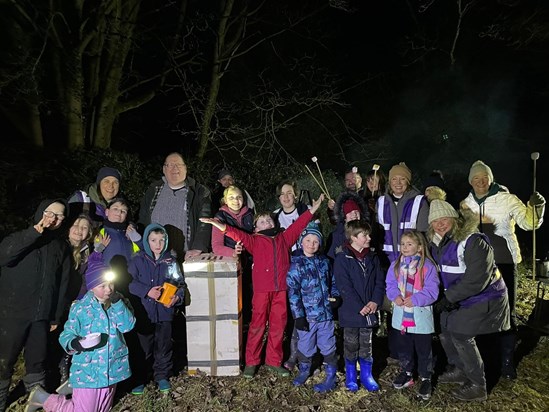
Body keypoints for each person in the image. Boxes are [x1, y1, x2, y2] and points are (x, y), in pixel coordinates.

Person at [200, 194, 325, 379]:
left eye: (268, 220)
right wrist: (219, 225)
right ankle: (252, 361)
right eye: (261, 221)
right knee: (257, 325)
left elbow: (299, 225)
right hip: (261, 291)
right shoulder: (254, 240)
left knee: (278, 326)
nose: (266, 222)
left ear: (274, 224)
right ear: (255, 228)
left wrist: (313, 209)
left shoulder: (284, 238)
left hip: (281, 290)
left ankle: (274, 361)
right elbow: (235, 233)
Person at [461, 160, 545, 379]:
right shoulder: (465, 204)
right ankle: (486, 358)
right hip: (479, 266)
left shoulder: (507, 199)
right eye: (476, 178)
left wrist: (536, 208)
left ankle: (507, 362)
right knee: (481, 311)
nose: (480, 182)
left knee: (506, 313)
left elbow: (530, 224)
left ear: (490, 179)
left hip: (505, 263)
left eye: (484, 177)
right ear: (471, 181)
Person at [25, 252, 136, 412]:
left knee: (104, 408)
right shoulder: (80, 308)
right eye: (102, 286)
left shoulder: (119, 301)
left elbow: (127, 326)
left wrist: (118, 303)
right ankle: (44, 398)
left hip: (112, 368)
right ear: (91, 287)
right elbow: (67, 334)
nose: (108, 289)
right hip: (87, 370)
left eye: (111, 283)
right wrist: (76, 343)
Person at [428, 198, 510, 402]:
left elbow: (477, 279)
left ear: (455, 219)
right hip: (458, 297)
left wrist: (449, 298)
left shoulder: (473, 241)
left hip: (486, 296)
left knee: (460, 334)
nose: (440, 224)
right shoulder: (437, 242)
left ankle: (477, 385)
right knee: (444, 328)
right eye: (435, 221)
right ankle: (460, 369)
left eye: (444, 218)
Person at [0, 199, 71, 412]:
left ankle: (37, 400)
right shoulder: (20, 238)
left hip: (41, 316)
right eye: (50, 213)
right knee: (4, 360)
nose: (54, 219)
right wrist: (34, 232)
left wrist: (55, 316)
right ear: (41, 213)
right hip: (11, 313)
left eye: (59, 216)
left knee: (36, 361)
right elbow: (4, 256)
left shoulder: (60, 246)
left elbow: (62, 284)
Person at [128, 224, 186, 395]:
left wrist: (177, 298)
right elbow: (129, 283)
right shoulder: (138, 260)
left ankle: (162, 376)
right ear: (147, 241)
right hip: (144, 313)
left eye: (162, 240)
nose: (158, 244)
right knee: (143, 348)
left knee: (163, 346)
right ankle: (140, 378)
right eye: (154, 240)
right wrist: (147, 291)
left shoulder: (171, 262)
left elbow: (180, 284)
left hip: (164, 313)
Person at [286, 223, 341, 392]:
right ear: (301, 242)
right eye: (308, 240)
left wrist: (336, 296)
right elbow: (293, 292)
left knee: (328, 343)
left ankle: (331, 373)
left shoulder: (324, 262)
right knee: (305, 345)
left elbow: (332, 281)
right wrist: (299, 316)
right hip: (307, 317)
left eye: (315, 241)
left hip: (325, 315)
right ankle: (304, 370)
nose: (311, 244)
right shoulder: (296, 265)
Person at [385, 230, 439, 400]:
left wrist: (415, 299)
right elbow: (390, 285)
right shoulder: (396, 265)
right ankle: (407, 372)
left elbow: (432, 291)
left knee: (424, 350)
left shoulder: (428, 267)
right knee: (404, 347)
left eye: (409, 244)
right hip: (402, 316)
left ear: (420, 247)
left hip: (420, 317)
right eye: (402, 244)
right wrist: (395, 296)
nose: (405, 247)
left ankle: (425, 377)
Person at [334, 220, 385, 392]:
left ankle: (366, 374)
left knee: (366, 343)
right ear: (353, 238)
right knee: (350, 343)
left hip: (370, 310)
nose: (369, 238)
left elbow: (379, 281)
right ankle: (350, 375)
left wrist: (375, 301)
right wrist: (358, 305)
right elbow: (343, 285)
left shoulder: (373, 257)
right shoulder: (342, 257)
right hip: (351, 311)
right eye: (365, 235)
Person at [139, 152, 212, 261]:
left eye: (178, 165)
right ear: (164, 169)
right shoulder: (153, 189)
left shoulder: (200, 192)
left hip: (187, 257)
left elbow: (205, 222)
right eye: (170, 165)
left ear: (186, 168)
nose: (175, 168)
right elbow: (143, 217)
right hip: (156, 258)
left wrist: (198, 247)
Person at [377, 162, 430, 263]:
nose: (398, 183)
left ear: (408, 182)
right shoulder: (381, 202)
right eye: (394, 179)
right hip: (385, 261)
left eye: (402, 179)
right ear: (389, 181)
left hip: (411, 262)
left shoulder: (419, 202)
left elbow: (424, 235)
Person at [211, 186, 254, 257]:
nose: (236, 200)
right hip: (231, 260)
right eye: (231, 198)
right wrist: (233, 252)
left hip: (250, 257)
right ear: (225, 200)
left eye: (239, 197)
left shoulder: (250, 214)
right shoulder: (220, 217)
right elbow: (216, 247)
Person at [326, 192, 369, 260]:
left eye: (356, 211)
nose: (354, 214)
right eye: (350, 212)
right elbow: (331, 257)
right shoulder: (337, 235)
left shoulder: (367, 232)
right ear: (344, 217)